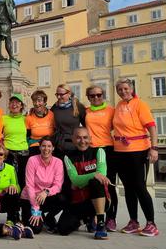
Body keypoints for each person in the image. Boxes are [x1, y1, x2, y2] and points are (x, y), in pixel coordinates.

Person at [113, 78, 159, 237]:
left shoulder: (140, 104)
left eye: (126, 88)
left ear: (131, 89)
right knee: (128, 188)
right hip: (120, 152)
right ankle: (134, 221)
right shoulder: (118, 106)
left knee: (140, 187)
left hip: (139, 151)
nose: (123, 92)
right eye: (120, 89)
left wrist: (154, 148)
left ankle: (151, 223)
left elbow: (151, 127)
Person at [58, 127, 111, 240]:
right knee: (63, 229)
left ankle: (100, 224)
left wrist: (83, 180)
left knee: (96, 182)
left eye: (85, 137)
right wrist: (92, 174)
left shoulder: (99, 151)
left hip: (99, 200)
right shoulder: (68, 157)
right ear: (73, 139)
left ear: (90, 138)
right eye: (78, 138)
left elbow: (101, 175)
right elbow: (74, 179)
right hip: (79, 202)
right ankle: (88, 219)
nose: (82, 141)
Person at [85, 85, 119, 232]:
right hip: (91, 149)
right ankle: (93, 217)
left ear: (103, 95)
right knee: (93, 183)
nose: (96, 98)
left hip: (107, 149)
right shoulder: (85, 112)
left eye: (99, 95)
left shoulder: (111, 111)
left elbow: (121, 126)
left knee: (109, 184)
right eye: (92, 96)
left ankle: (111, 218)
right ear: (88, 98)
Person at [19, 137, 64, 234]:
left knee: (62, 199)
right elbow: (29, 185)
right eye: (43, 146)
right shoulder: (32, 160)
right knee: (36, 229)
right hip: (30, 198)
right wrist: (35, 208)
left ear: (53, 148)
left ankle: (48, 218)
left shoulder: (58, 162)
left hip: (44, 197)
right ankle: (27, 216)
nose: (46, 149)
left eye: (49, 146)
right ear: (39, 148)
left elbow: (58, 185)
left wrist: (46, 191)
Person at [2, 94, 29, 189]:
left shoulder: (26, 119)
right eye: (12, 102)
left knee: (22, 179)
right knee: (9, 180)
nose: (14, 105)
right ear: (9, 105)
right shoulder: (4, 118)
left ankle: (21, 201)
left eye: (17, 102)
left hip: (23, 153)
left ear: (21, 105)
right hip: (8, 153)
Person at [51, 84, 86, 156]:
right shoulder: (55, 107)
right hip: (59, 146)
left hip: (74, 146)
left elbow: (86, 125)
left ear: (69, 94)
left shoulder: (78, 106)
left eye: (61, 94)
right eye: (57, 94)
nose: (58, 97)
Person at [25, 90, 55, 156]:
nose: (37, 103)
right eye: (34, 101)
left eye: (39, 101)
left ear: (45, 102)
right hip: (34, 147)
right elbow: (27, 136)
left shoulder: (52, 115)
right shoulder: (29, 117)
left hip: (48, 147)